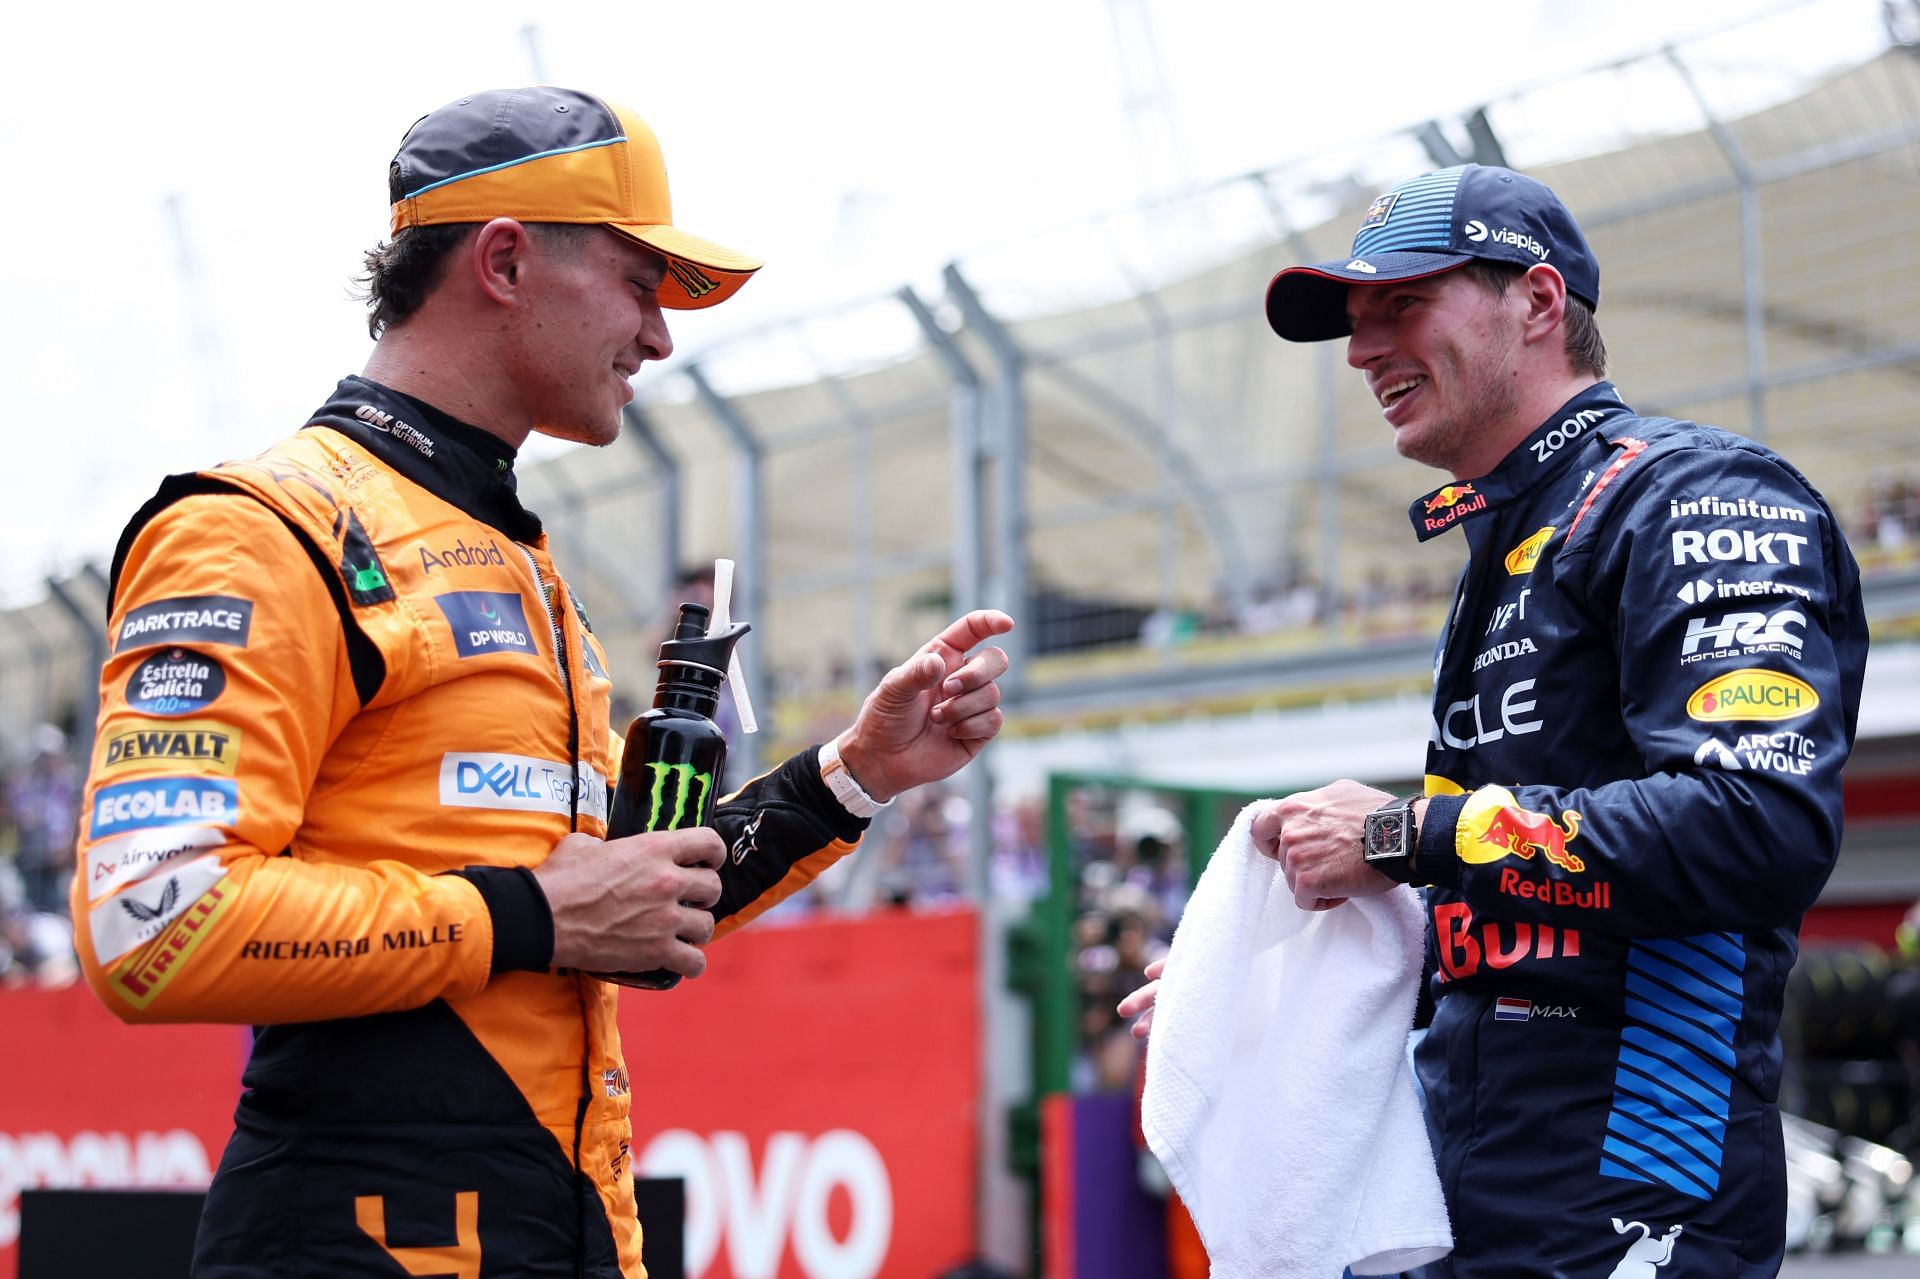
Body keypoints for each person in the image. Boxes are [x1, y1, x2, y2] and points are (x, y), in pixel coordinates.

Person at [71, 86, 1013, 1279]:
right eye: (639, 282)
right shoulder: (262, 528)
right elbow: (152, 920)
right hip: (356, 1237)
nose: (661, 337)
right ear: (506, 260)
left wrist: (855, 778)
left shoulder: (520, 559)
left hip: (554, 1225)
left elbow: (622, 903)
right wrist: (532, 912)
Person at [1121, 163, 1868, 1276]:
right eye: (1355, 323)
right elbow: (1543, 915)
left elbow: (1750, 823)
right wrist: (1280, 977)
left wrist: (1403, 833)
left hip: (1642, 1179)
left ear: (1537, 302)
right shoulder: (1507, 541)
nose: (1362, 350)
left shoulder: (1694, 497)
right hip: (1478, 1178)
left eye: (1401, 307)